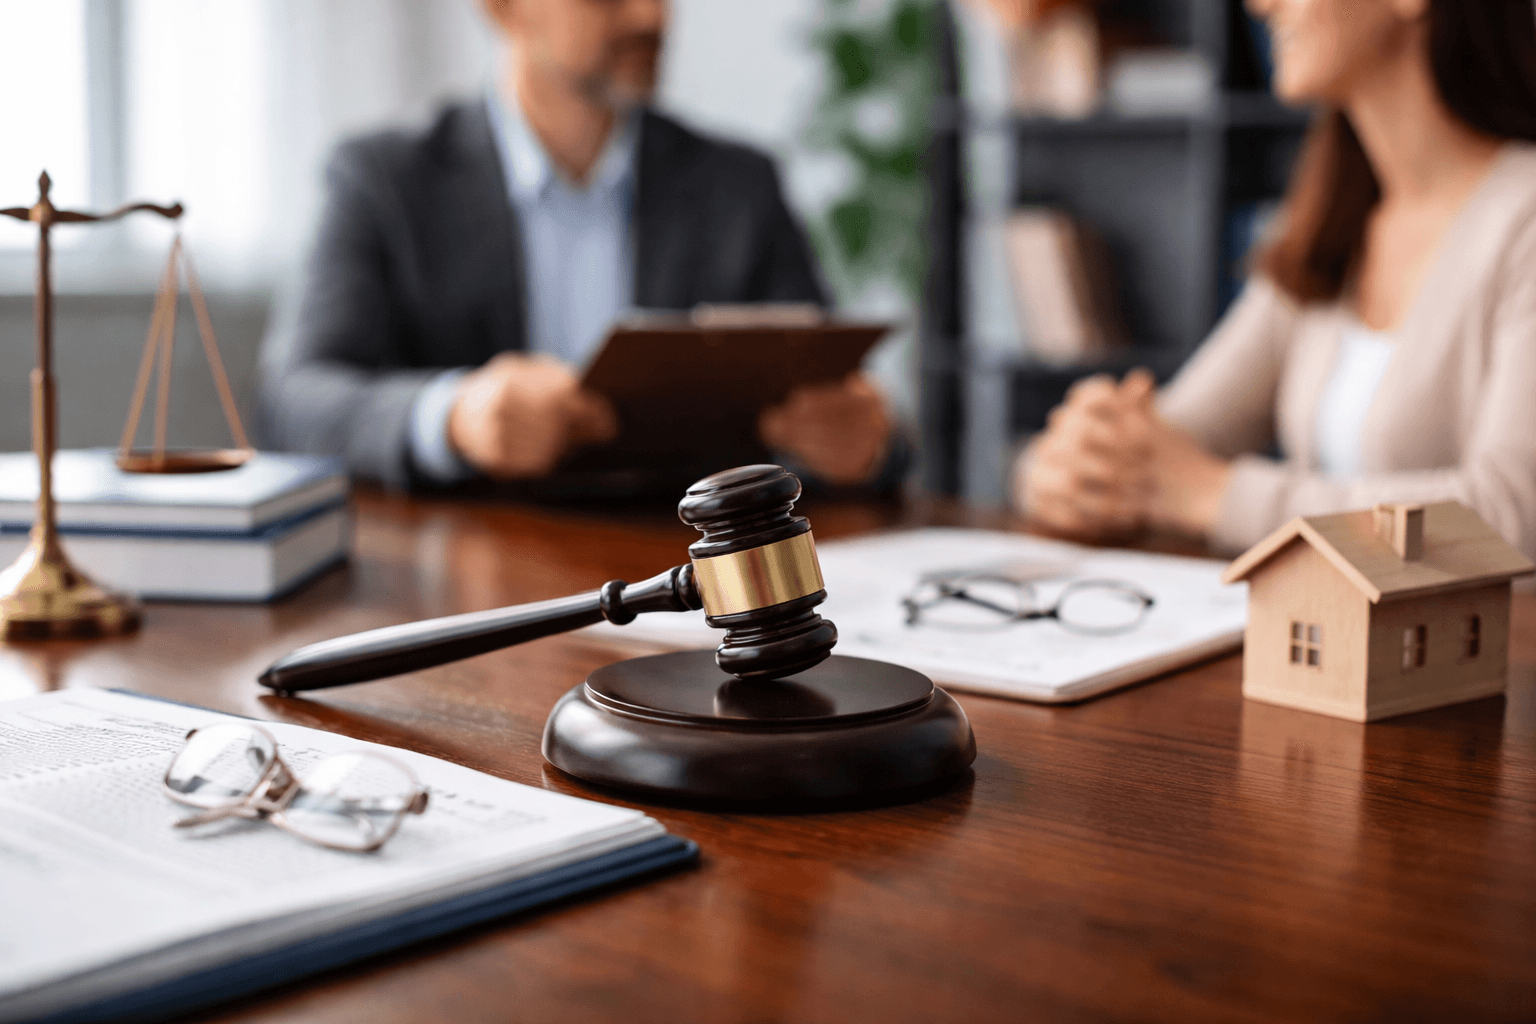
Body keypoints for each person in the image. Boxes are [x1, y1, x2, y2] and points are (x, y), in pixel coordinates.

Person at [260, 0, 897, 494]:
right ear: (502, 7)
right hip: (468, 586)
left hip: (690, 587)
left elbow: (844, 400)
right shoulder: (384, 179)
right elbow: (296, 399)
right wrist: (455, 418)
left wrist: (865, 437)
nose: (651, 16)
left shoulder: (739, 186)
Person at [1013, 0, 1536, 559]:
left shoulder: (1523, 219)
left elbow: (1510, 517)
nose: (1260, 5)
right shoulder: (1329, 218)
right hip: (1329, 634)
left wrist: (1212, 496)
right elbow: (1175, 434)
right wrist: (1071, 465)